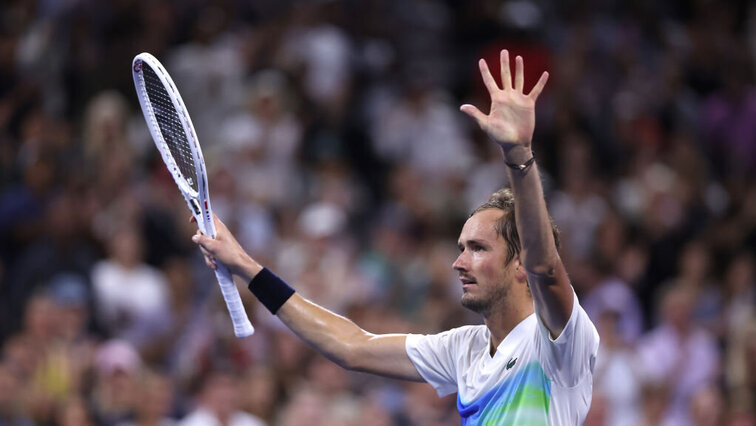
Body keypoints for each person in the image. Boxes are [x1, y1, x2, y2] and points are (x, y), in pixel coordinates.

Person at [192, 50, 599, 425]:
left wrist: (517, 155)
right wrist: (246, 266)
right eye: (461, 248)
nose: (458, 262)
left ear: (520, 265)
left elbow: (545, 265)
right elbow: (351, 346)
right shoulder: (464, 349)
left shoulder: (557, 341)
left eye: (478, 249)